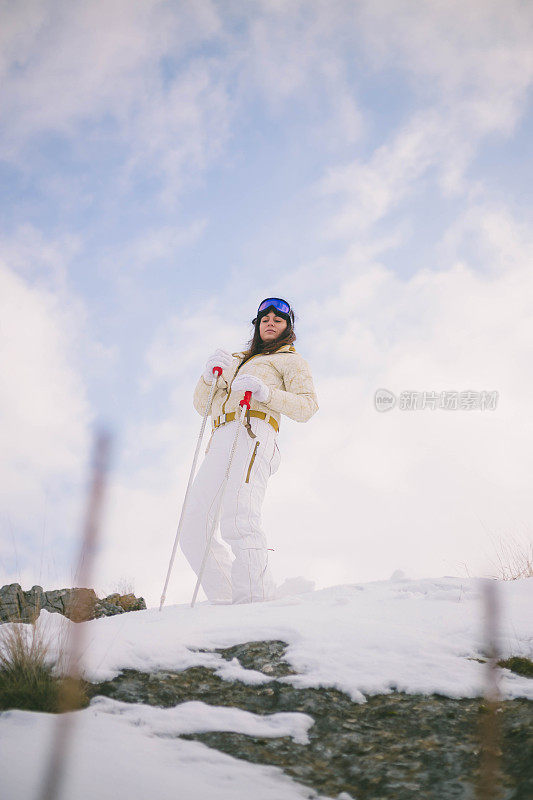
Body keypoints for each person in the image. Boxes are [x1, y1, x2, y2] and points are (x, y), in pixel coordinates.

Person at [179, 297, 319, 604]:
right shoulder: (234, 361)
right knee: (192, 526)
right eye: (265, 318)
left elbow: (308, 406)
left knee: (239, 518)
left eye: (278, 320)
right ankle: (227, 600)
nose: (270, 322)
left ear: (287, 329)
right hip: (220, 437)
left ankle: (254, 603)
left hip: (254, 431)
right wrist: (207, 377)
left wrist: (266, 392)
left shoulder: (290, 361)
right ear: (257, 325)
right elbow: (203, 407)